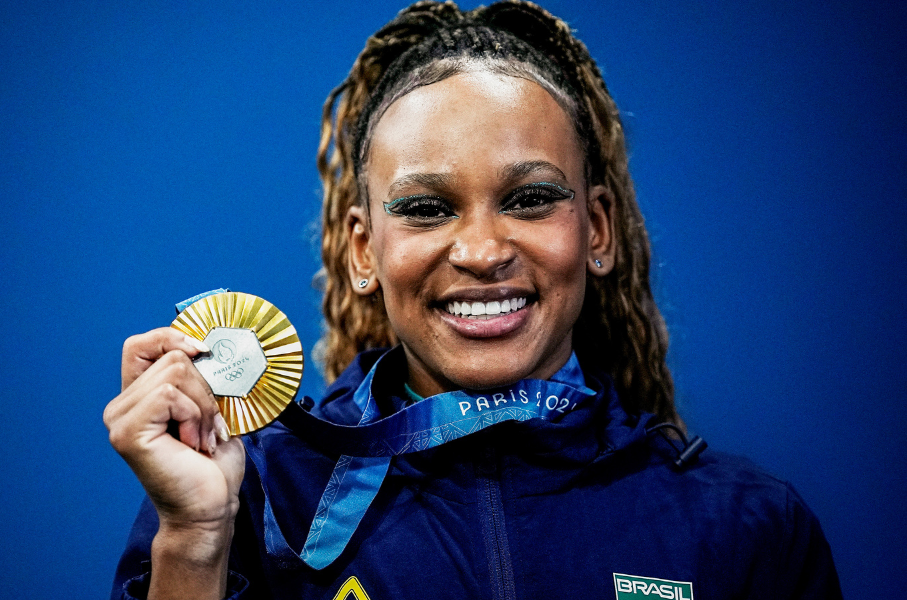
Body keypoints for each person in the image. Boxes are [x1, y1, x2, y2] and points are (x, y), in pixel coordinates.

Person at [104, 1, 842, 598]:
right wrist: (197, 541)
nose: (483, 251)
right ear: (364, 249)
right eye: (426, 208)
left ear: (599, 228)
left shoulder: (745, 527)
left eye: (529, 199)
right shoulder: (253, 499)